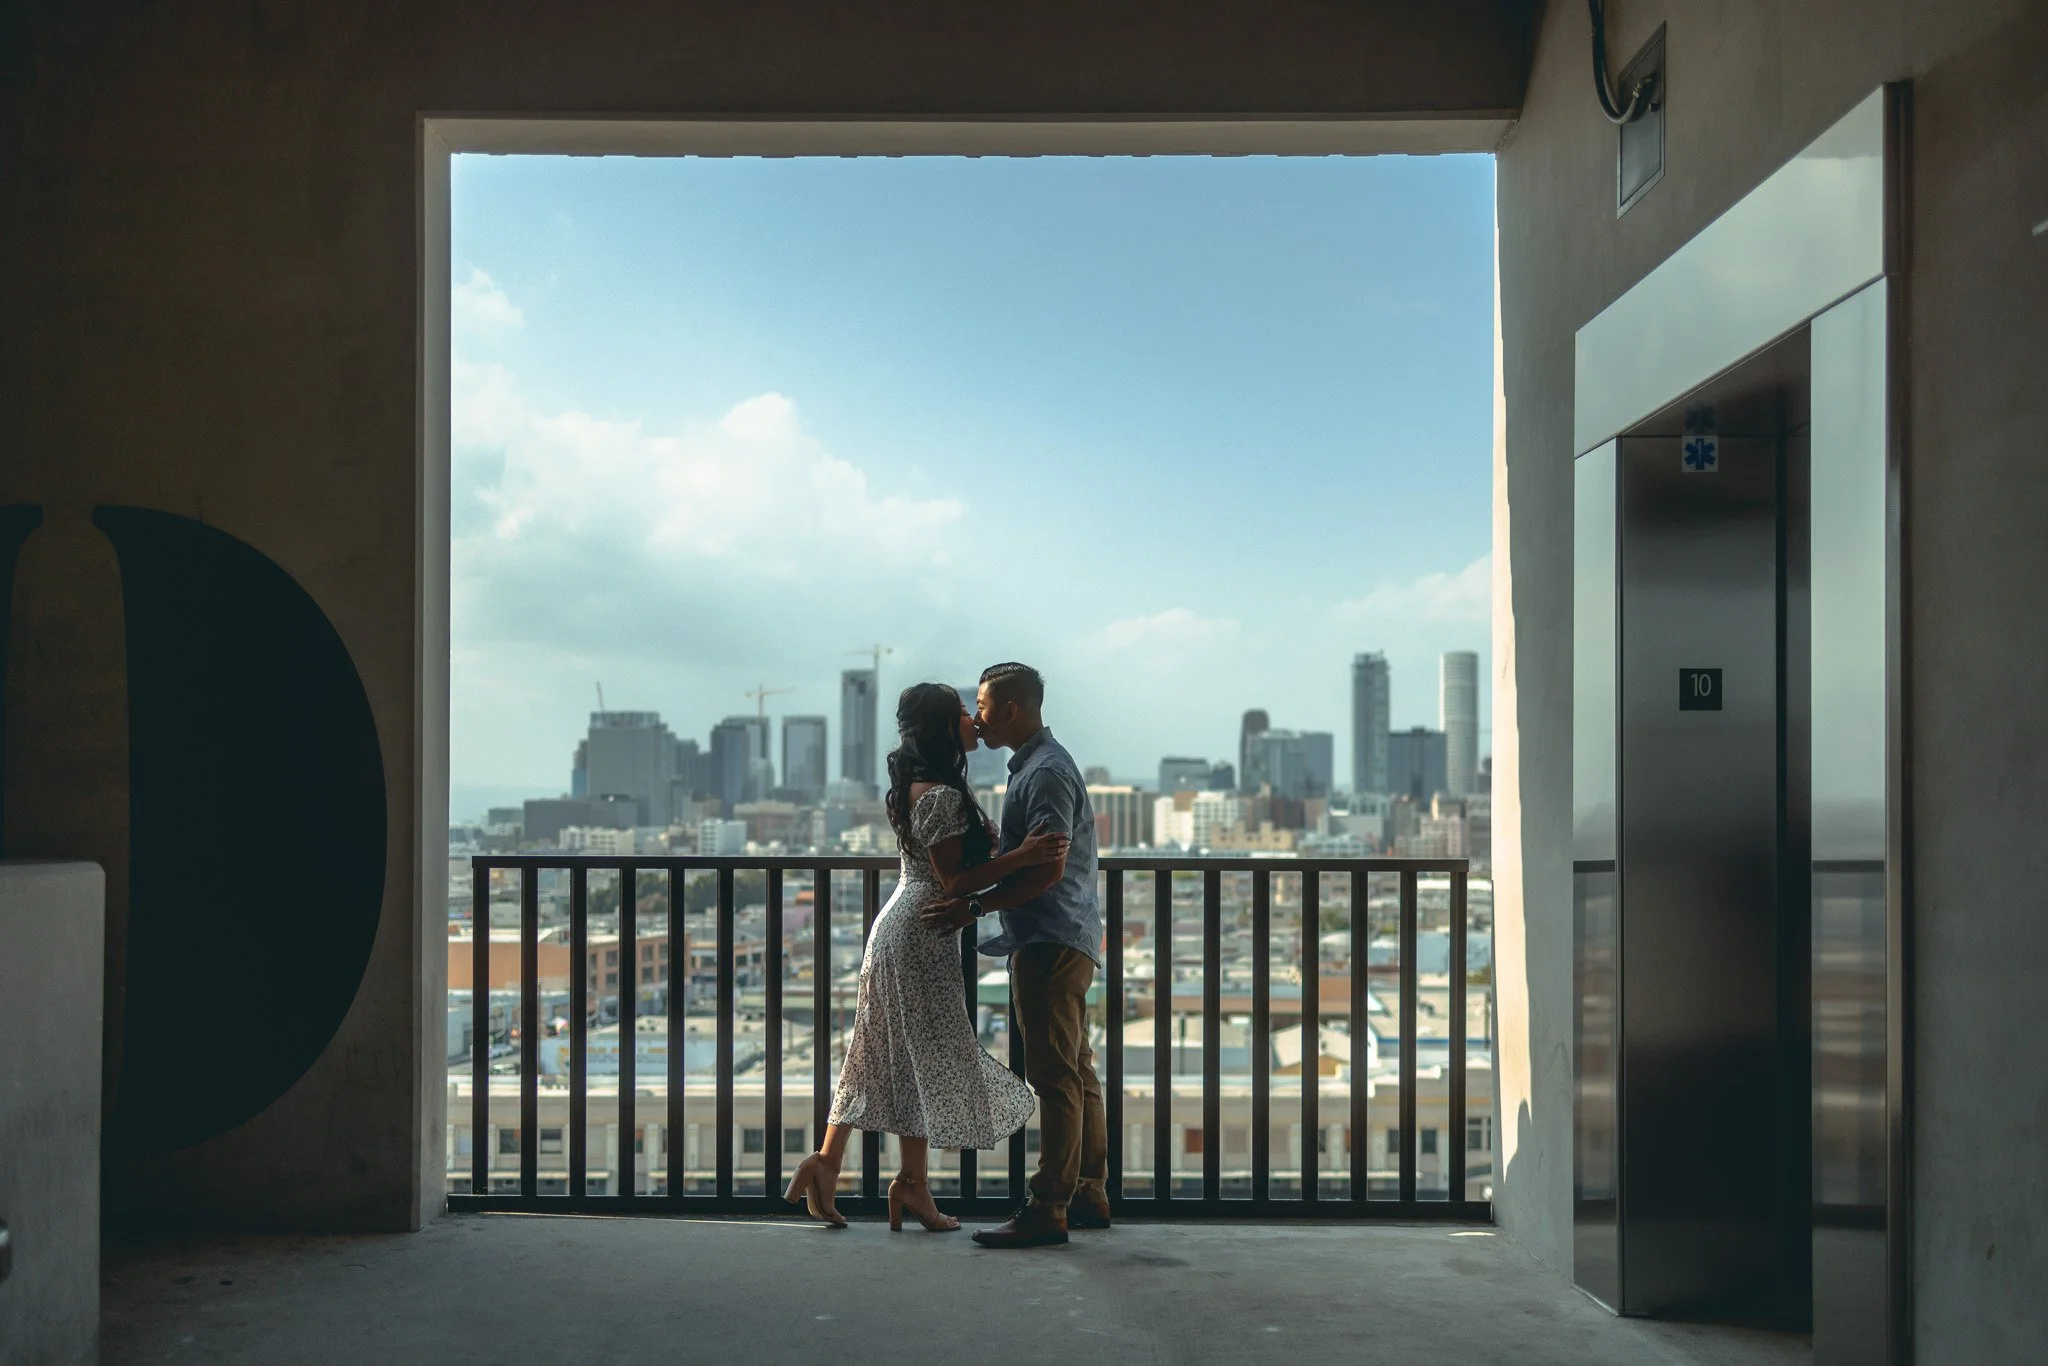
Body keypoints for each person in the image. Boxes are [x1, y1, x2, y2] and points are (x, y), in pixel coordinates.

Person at [783, 682, 1062, 1231]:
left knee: (896, 1052)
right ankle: (884, 1179)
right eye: (962, 712)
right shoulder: (937, 795)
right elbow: (954, 879)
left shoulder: (925, 787)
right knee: (919, 1051)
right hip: (919, 932)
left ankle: (848, 1168)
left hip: (911, 930)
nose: (971, 720)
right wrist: (1024, 856)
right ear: (942, 727)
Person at [923, 661, 1107, 1249]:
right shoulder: (1040, 767)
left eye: (981, 705)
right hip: (1066, 935)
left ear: (1009, 708)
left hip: (1049, 938)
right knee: (1076, 1072)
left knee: (1053, 1078)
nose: (976, 717)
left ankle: (1047, 1206)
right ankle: (1087, 1192)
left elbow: (1048, 867)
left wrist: (974, 908)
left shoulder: (1044, 773)